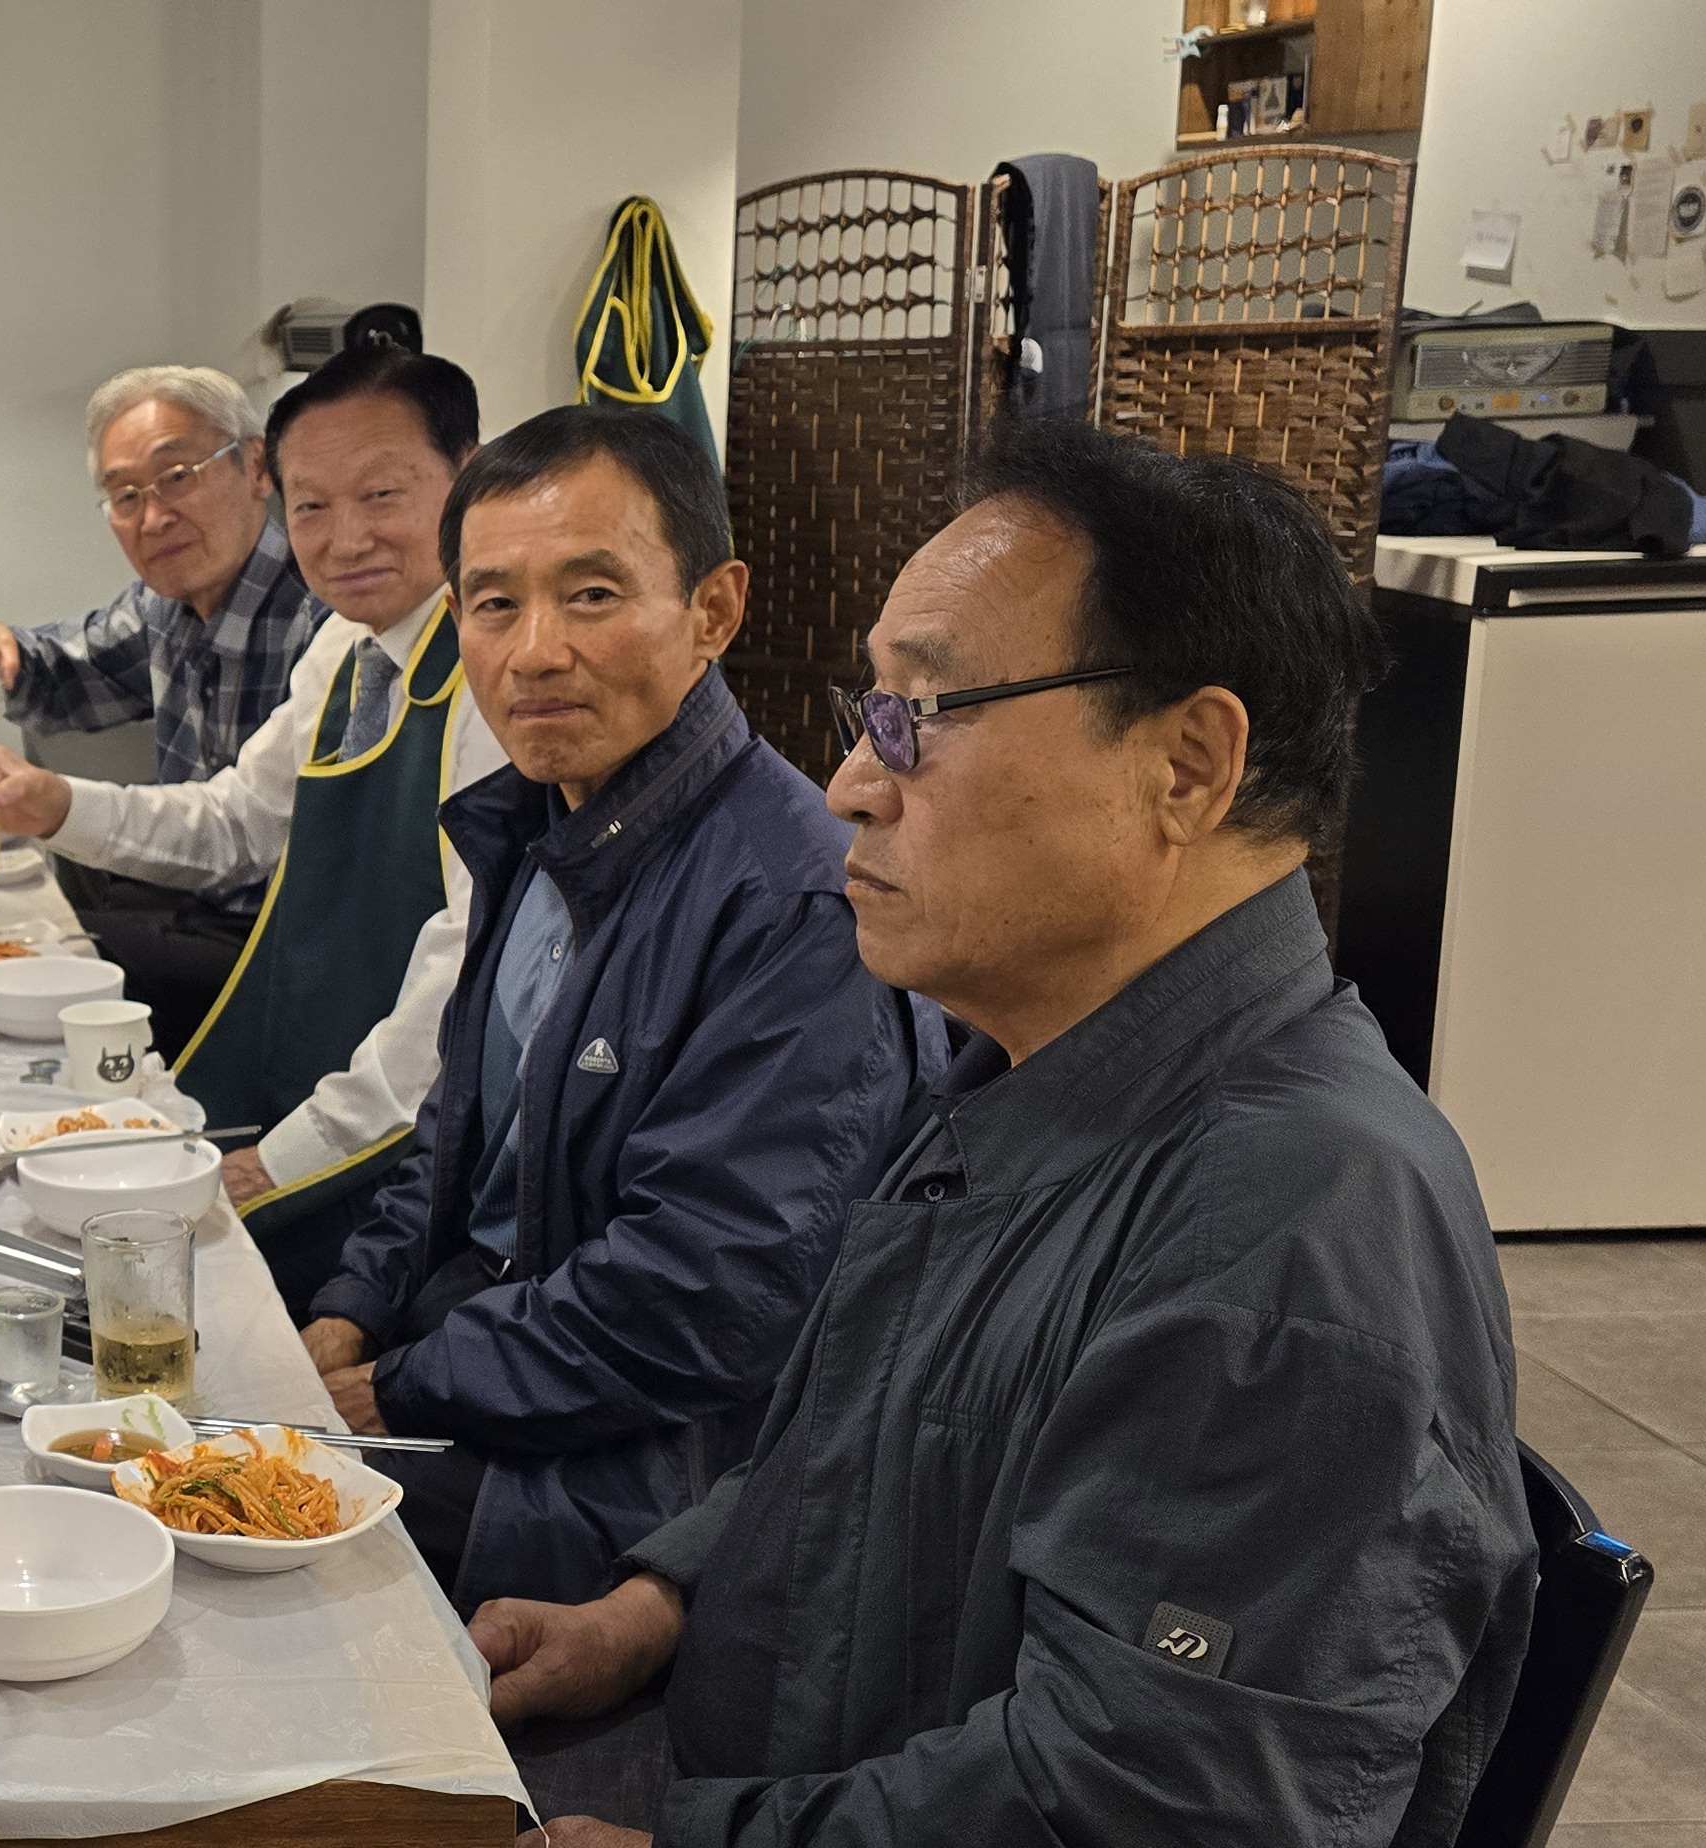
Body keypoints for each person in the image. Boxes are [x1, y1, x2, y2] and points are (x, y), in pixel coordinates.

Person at [473, 418, 1531, 1847]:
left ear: (1187, 765)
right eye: (869, 714)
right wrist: (652, 1606)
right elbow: (858, 1447)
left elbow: (1143, 1804)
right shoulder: (1029, 1069)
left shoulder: (1294, 1224)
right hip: (755, 1753)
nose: (851, 782)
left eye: (923, 714)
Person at [294, 406, 941, 1613]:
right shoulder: (538, 826)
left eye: (590, 594)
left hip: (637, 1463)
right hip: (482, 1350)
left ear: (713, 609)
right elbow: (454, 1132)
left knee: (214, 1538)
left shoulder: (798, 904)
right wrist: (345, 1314)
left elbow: (707, 1300)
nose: (534, 651)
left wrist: (389, 1389)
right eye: (493, 604)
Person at [0, 343, 509, 1314]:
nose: (344, 537)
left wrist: (275, 1163)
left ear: (470, 476)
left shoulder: (495, 673)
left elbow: (460, 989)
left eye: (381, 495)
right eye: (313, 505)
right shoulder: (348, 643)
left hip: (402, 1142)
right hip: (312, 1059)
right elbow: (235, 821)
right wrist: (53, 805)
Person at [0, 365, 332, 1041]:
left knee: (14, 972)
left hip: (281, 944)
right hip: (189, 896)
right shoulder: (166, 603)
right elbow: (70, 672)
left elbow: (244, 836)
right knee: (1, 937)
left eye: (178, 477)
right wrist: (1, 653)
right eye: (125, 495)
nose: (154, 517)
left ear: (258, 467)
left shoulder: (324, 616)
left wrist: (58, 804)